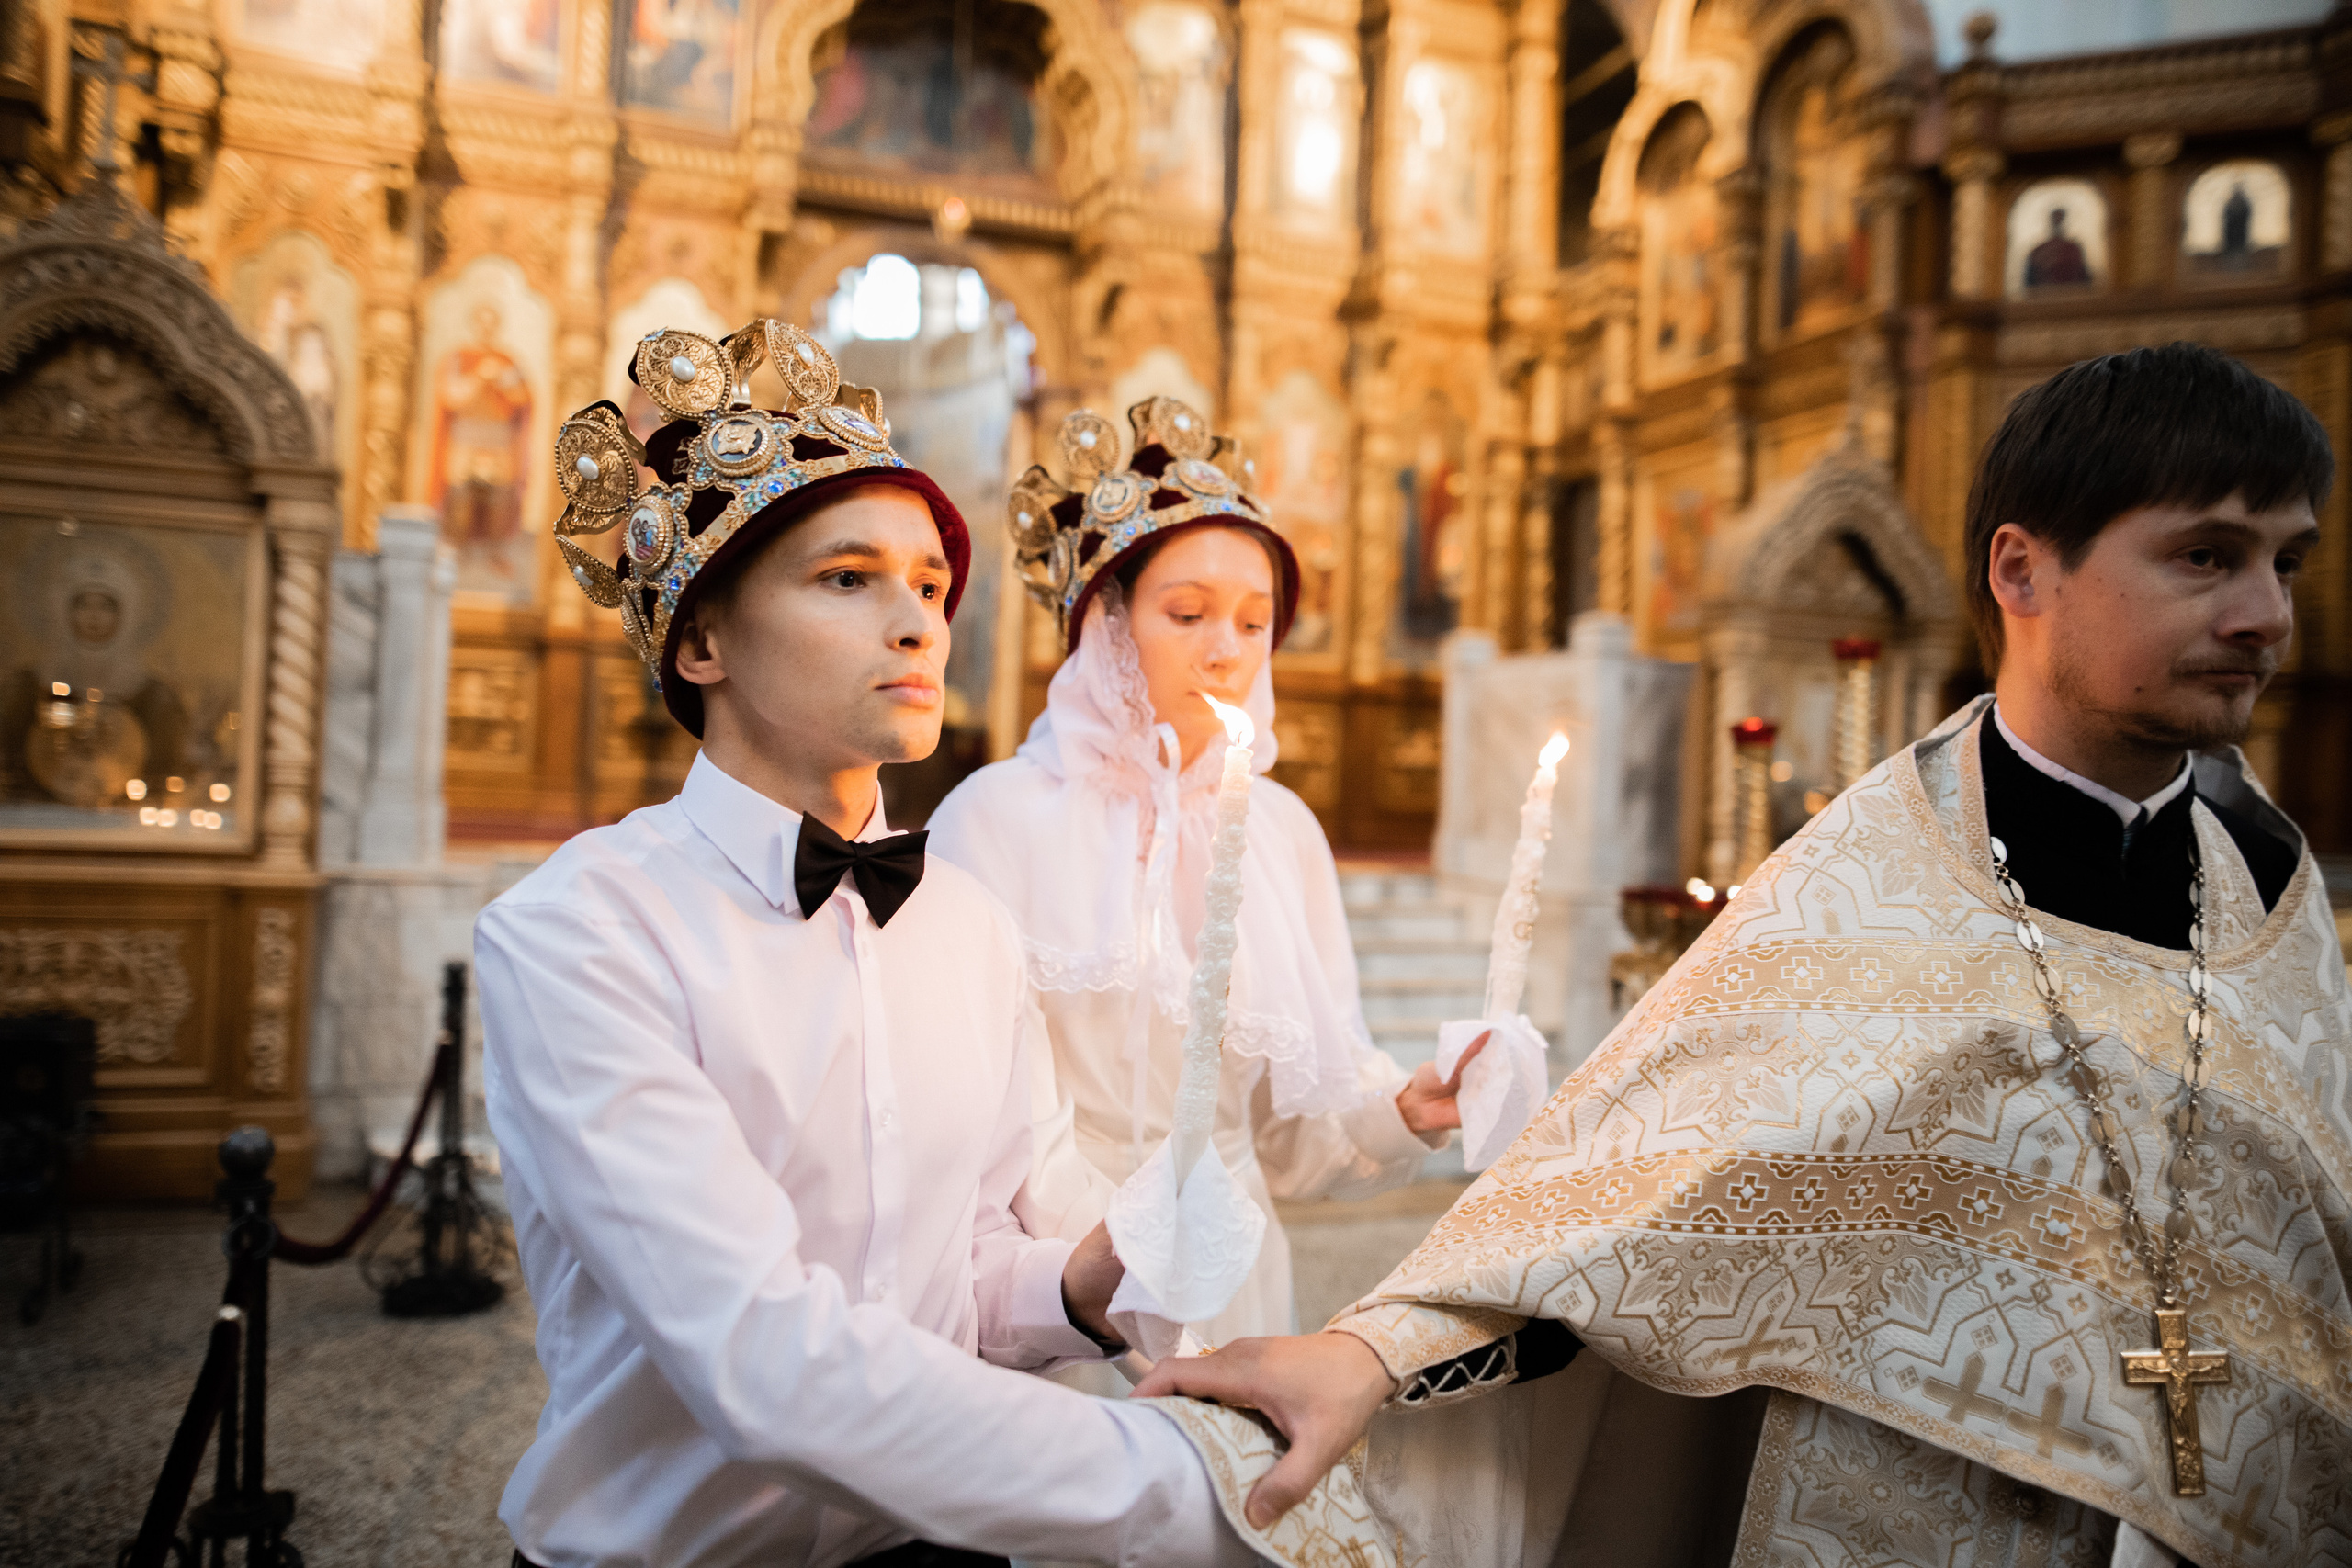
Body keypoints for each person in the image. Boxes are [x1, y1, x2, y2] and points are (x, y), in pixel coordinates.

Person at [1138, 342, 2349, 1568]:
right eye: (2206, 555)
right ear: (2023, 570)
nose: (2266, 614)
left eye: (2284, 561)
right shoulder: (1861, 887)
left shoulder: (2276, 904)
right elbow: (1634, 1191)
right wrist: (1371, 1348)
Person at [476, 322, 1262, 1568]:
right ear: (702, 641)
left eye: (932, 586)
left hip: (935, 1543)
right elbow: (761, 1354)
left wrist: (1087, 1278)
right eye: (848, 577)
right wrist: (1194, 1483)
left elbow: (971, 1261)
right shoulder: (581, 934)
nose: (916, 623)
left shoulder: (966, 919)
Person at [926, 398, 1473, 1348]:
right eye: (1187, 613)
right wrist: (1107, 1262)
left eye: (1254, 623)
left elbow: (1295, 1138)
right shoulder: (993, 819)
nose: (1224, 650)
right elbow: (981, 1107)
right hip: (1050, 1275)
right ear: (1104, 621)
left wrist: (1397, 1111)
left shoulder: (1283, 834)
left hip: (1232, 1271)